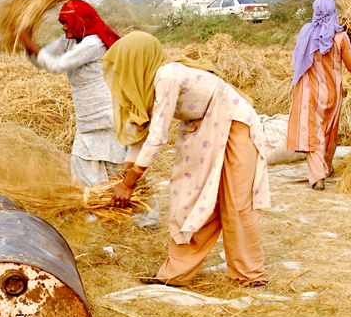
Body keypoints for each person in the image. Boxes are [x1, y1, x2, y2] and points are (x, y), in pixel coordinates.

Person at [104, 32, 270, 287]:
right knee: (191, 198)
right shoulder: (148, 86)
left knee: (236, 201)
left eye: (125, 64)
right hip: (202, 126)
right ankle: (174, 274)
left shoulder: (166, 76)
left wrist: (128, 183)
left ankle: (251, 275)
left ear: (138, 59)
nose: (123, 73)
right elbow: (142, 136)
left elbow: (158, 136)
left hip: (234, 122)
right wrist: (125, 174)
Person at [19, 0, 125, 185]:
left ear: (81, 22)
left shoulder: (93, 44)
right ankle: (97, 213)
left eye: (66, 22)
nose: (63, 27)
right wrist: (28, 43)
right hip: (87, 122)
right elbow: (43, 58)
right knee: (85, 174)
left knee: (115, 176)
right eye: (62, 23)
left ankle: (137, 213)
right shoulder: (71, 42)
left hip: (106, 120)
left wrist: (28, 39)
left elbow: (56, 65)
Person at [286, 0, 351, 190]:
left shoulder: (306, 33)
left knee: (312, 133)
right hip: (333, 93)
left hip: (309, 93)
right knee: (328, 131)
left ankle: (318, 177)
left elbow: (297, 62)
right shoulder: (340, 37)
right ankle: (326, 168)